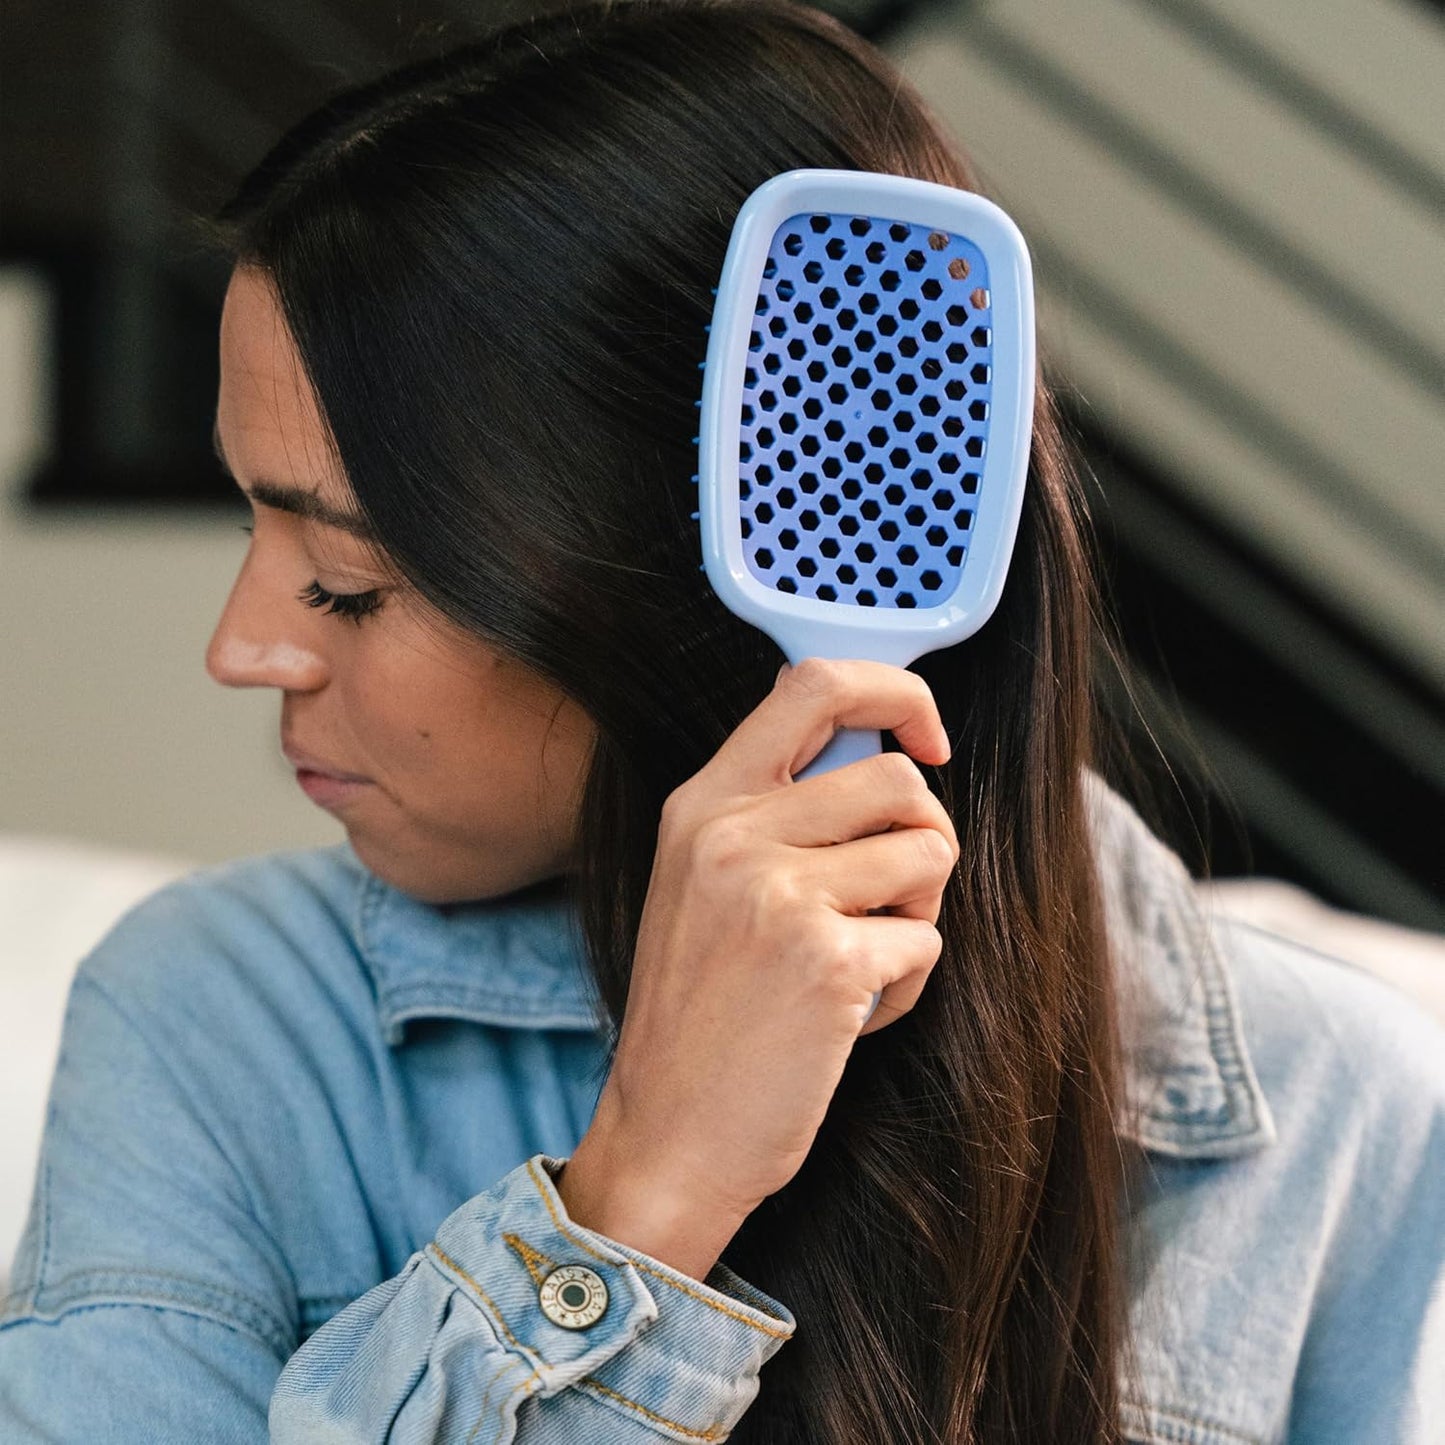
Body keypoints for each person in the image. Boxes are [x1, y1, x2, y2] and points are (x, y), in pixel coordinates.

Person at [2, 1, 1442, 1440]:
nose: (242, 647)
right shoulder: (225, 1022)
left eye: (346, 582)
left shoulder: (1339, 1120)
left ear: (679, 598)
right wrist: (638, 1191)